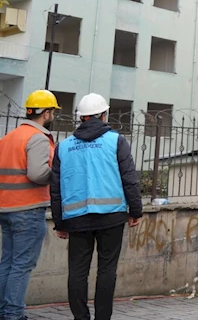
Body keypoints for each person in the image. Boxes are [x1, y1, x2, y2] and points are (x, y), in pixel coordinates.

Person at [50, 93, 143, 320]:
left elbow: (56, 187)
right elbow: (129, 178)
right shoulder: (116, 141)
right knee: (107, 270)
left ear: (81, 118)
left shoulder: (64, 147)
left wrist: (59, 222)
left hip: (76, 219)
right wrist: (135, 210)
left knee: (78, 271)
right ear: (104, 115)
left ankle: (80, 317)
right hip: (112, 217)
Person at [0, 90, 59, 320]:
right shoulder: (38, 138)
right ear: (46, 113)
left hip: (6, 208)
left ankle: (4, 311)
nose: (53, 114)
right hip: (28, 209)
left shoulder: (9, 137)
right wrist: (57, 173)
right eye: (52, 111)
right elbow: (37, 173)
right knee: (22, 265)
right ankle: (13, 314)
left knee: (8, 262)